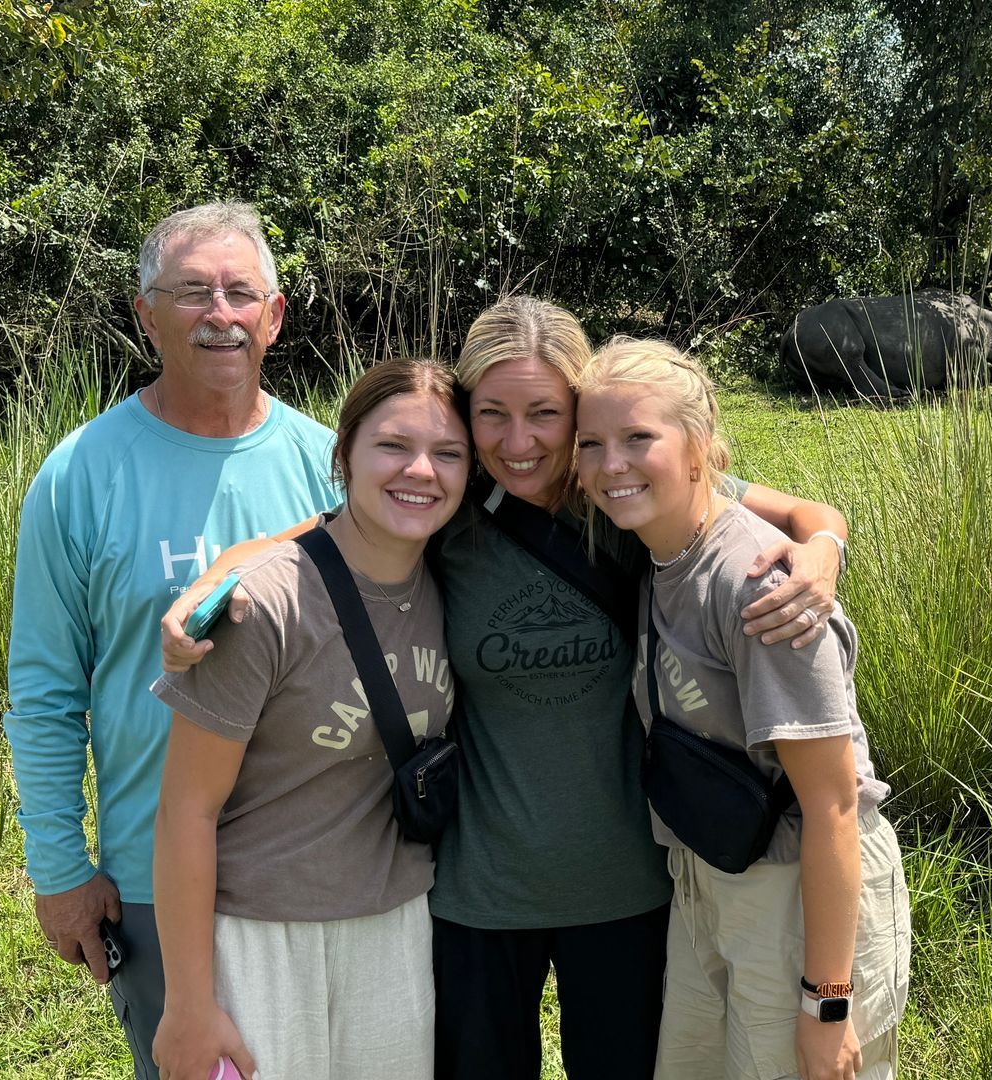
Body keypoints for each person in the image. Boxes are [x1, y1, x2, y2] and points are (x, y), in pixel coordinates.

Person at [162, 295, 851, 1080]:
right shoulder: (448, 510)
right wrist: (221, 571)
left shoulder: (621, 498)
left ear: (578, 412)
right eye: (492, 415)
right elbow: (319, 536)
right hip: (477, 891)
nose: (518, 443)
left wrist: (825, 543)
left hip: (628, 883)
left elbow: (793, 512)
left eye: (546, 415)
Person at [3, 201, 339, 1079]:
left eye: (239, 292)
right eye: (191, 292)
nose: (218, 314)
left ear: (275, 314)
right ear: (146, 313)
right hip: (154, 879)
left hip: (321, 868)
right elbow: (44, 691)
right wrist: (59, 869)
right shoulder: (79, 475)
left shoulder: (333, 464)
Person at [574, 338, 910, 1080]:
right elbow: (809, 510)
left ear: (699, 451)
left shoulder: (761, 589)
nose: (610, 464)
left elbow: (832, 807)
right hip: (711, 876)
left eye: (638, 438)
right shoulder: (662, 549)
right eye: (590, 442)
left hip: (796, 897)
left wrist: (826, 1002)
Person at [149, 359, 467, 1079]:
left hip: (393, 926)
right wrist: (189, 1006)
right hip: (257, 936)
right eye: (392, 445)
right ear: (343, 452)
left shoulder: (457, 579)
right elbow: (185, 812)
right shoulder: (261, 606)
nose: (420, 470)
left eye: (448, 453)